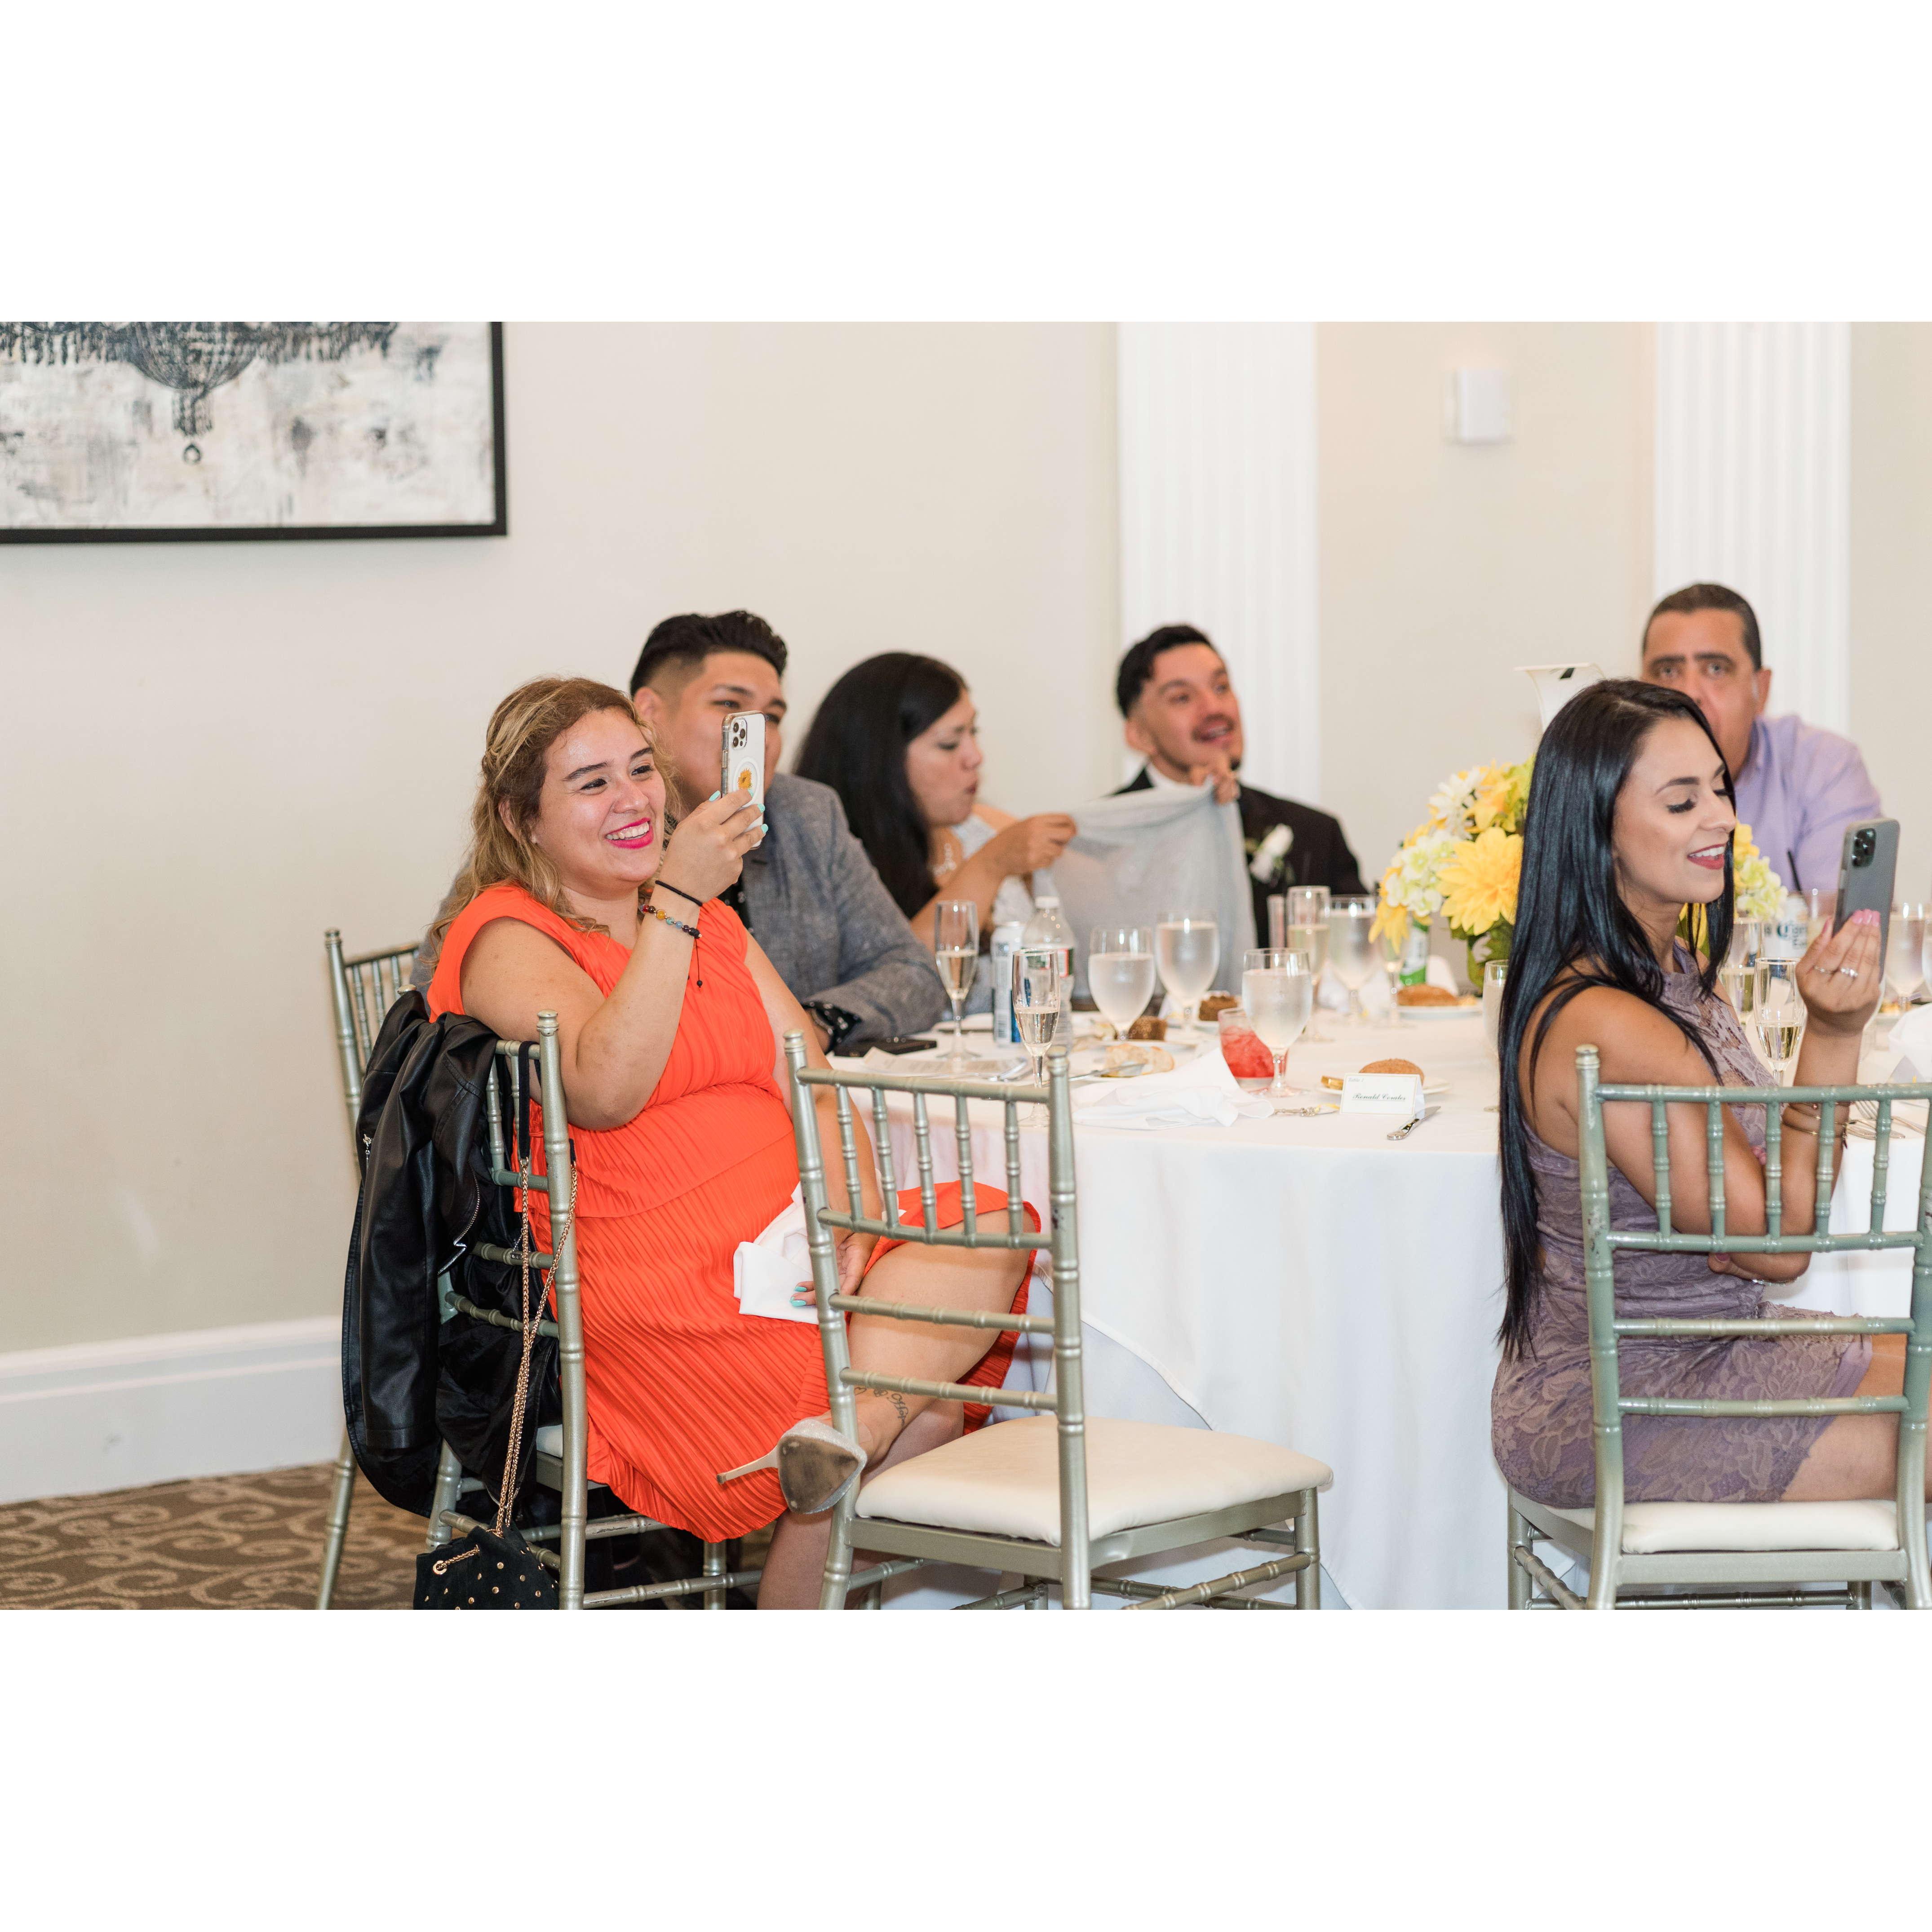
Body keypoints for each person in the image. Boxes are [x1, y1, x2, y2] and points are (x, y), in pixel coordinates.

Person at [425, 678, 1034, 1608]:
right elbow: (603, 1088)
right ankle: (856, 1431)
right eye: (591, 782)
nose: (632, 797)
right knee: (925, 1407)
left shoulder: (709, 920)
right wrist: (674, 898)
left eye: (641, 769)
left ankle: (848, 1431)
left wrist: (851, 1213)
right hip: (653, 1278)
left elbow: (810, 1073)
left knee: (990, 1224)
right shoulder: (507, 935)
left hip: (787, 1242)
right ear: (522, 818)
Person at [1491, 678, 1923, 1514]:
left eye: (1721, 789)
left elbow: (1766, 1221)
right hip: (1624, 1398)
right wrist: (1833, 1033)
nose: (1722, 818)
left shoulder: (1677, 977)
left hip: (1716, 1348)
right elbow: (1781, 1244)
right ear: (1597, 829)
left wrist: (1751, 1210)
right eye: (1683, 801)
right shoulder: (1609, 1019)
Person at [413, 611, 945, 1053]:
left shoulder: (806, 813)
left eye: (773, 717)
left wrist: (813, 1026)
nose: (756, 737)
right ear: (648, 712)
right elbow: (436, 997)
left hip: (789, 1088)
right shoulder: (573, 831)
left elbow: (912, 971)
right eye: (730, 707)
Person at [794, 652, 1077, 953]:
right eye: (949, 744)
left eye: (973, 732)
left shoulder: (989, 828)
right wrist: (990, 866)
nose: (976, 757)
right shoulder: (834, 856)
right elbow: (903, 971)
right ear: (881, 760)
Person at [1112, 623, 1365, 940]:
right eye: (1182, 698)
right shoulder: (1098, 846)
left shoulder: (1315, 835)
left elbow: (1362, 954)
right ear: (1140, 735)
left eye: (1221, 687)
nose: (1214, 708)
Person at [1639, 582, 1883, 901]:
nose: (1689, 693)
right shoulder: (1611, 776)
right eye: (1668, 671)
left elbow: (1841, 921)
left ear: (1761, 690)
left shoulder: (1823, 766)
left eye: (1715, 669)